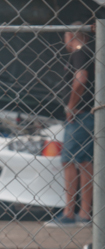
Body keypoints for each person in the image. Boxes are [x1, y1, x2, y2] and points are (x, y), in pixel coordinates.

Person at [46, 23, 94, 227]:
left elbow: (81, 78)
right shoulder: (92, 52)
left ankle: (69, 213)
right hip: (90, 114)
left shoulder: (79, 52)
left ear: (70, 36)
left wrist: (71, 106)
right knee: (85, 162)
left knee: (69, 160)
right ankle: (84, 213)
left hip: (80, 115)